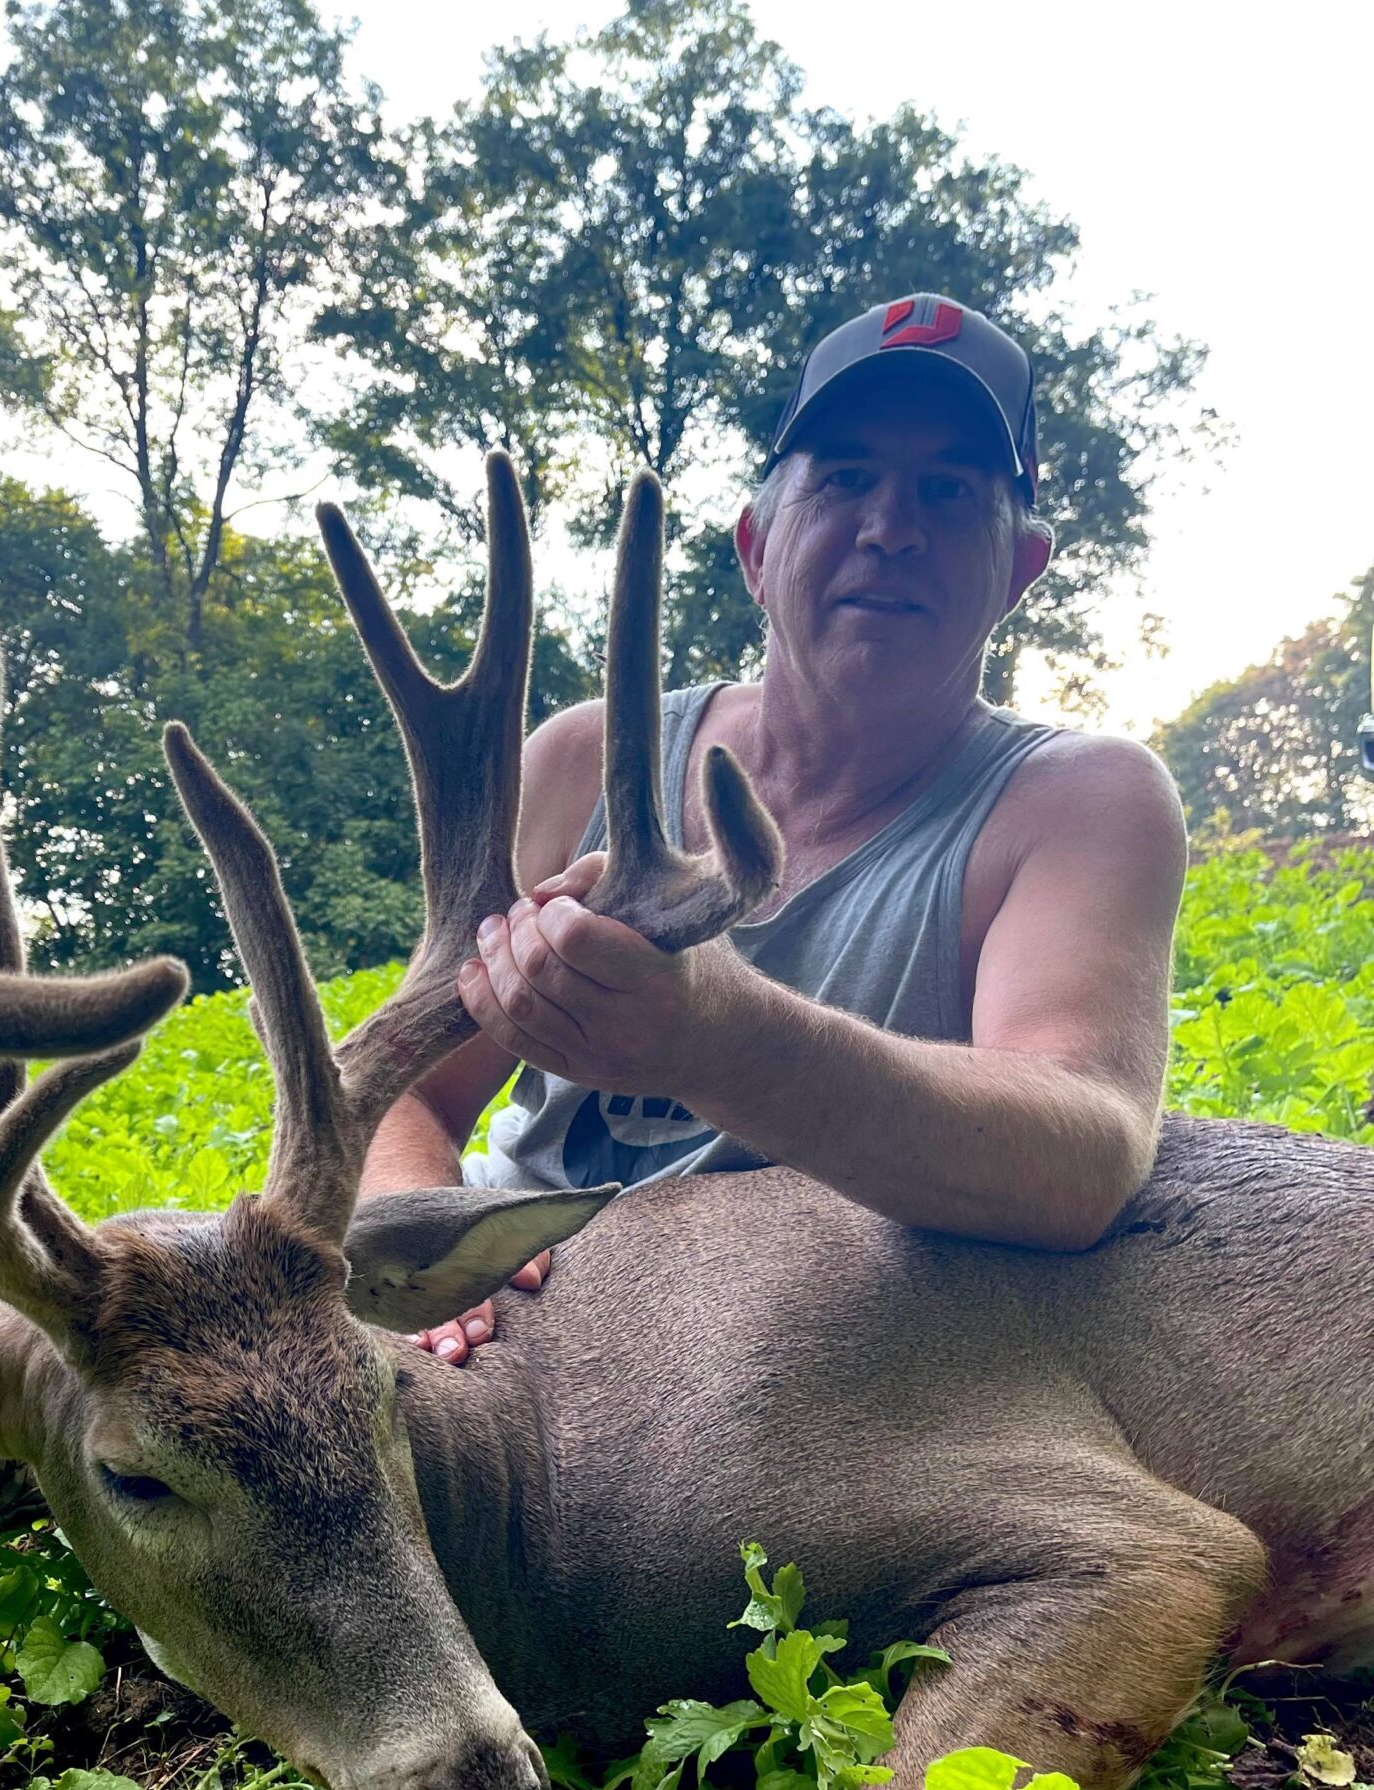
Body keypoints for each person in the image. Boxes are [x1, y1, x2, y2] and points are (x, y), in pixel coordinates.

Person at [362, 294, 1188, 1362]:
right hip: (510, 1317)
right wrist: (423, 1235)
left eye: (947, 490)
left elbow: (1085, 1150)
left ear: (1021, 570)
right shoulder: (579, 760)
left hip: (798, 1374)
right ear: (756, 546)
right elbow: (403, 1087)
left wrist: (720, 1039)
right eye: (846, 479)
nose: (892, 529)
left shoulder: (1079, 802)